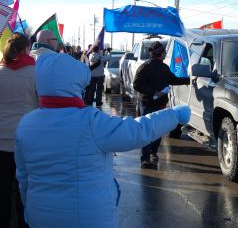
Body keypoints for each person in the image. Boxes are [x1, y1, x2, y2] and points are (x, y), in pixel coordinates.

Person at [14, 52, 190, 228]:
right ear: (75, 85)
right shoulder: (90, 121)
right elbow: (137, 131)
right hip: (88, 217)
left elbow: (23, 177)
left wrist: (31, 206)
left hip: (39, 216)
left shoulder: (26, 124)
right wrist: (173, 114)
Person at [0, 33, 38, 228]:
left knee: (2, 189)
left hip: (1, 141)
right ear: (26, 49)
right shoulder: (35, 72)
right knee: (25, 188)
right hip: (26, 141)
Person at [133, 41, 191, 167]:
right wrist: (154, 92)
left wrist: (190, 80)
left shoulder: (164, 67)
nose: (165, 53)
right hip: (147, 104)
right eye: (164, 52)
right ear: (159, 54)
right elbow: (137, 85)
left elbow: (173, 80)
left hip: (161, 105)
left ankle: (154, 152)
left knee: (158, 130)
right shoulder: (144, 67)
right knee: (148, 130)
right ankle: (145, 158)